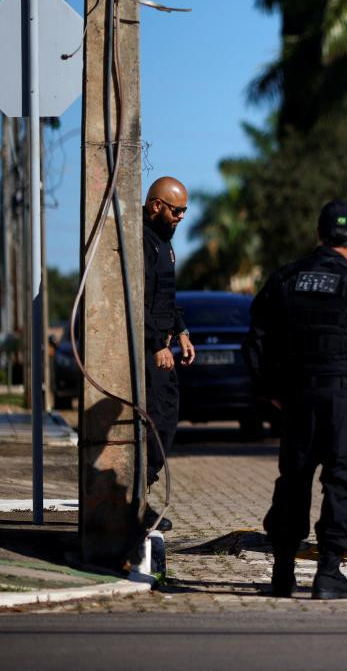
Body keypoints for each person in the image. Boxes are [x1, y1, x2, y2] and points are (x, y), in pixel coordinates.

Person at [243, 200, 347, 600]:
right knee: (346, 480)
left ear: (318, 233)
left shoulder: (285, 278)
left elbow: (256, 341)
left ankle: (283, 572)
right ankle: (329, 571)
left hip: (298, 399)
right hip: (344, 401)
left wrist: (270, 393)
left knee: (294, 480)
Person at [143, 176, 195, 532]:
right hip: (148, 351)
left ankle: (140, 493)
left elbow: (166, 296)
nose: (180, 217)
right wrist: (157, 344)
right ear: (156, 205)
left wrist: (181, 331)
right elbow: (138, 300)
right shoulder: (142, 241)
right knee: (154, 423)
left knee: (165, 421)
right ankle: (135, 501)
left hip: (163, 343)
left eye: (184, 212)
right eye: (175, 210)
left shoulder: (165, 243)